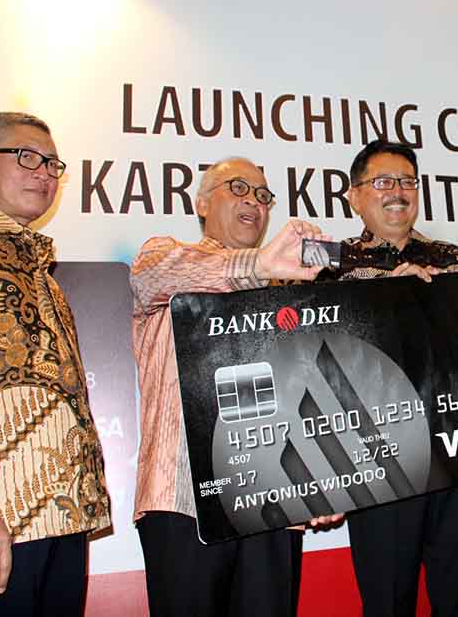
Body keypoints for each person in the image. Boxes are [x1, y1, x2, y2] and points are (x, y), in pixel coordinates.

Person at [320, 139, 458, 617]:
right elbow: (312, 360)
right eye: (382, 181)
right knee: (387, 601)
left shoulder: (453, 259)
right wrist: (383, 299)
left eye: (407, 181)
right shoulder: (329, 266)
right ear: (354, 196)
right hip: (378, 462)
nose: (397, 191)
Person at [130, 157, 330, 617]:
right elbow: (153, 277)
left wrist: (324, 480)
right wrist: (258, 263)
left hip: (273, 500)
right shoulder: (166, 256)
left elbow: (306, 391)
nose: (253, 202)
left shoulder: (286, 291)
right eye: (238, 188)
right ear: (202, 203)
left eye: (262, 195)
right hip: (184, 500)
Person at [0, 111, 111, 615]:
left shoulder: (45, 278)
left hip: (62, 522)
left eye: (52, 163)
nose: (44, 173)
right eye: (25, 157)